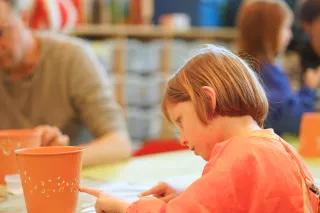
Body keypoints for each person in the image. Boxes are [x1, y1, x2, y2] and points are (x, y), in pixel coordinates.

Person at [80, 45, 320, 213]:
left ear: (208, 100)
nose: (182, 139)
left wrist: (122, 207)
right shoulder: (276, 146)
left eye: (181, 121)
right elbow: (239, 196)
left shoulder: (242, 157)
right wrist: (189, 192)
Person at [0, 0, 132, 167]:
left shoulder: (71, 58)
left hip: (69, 179)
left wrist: (61, 156)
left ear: (24, 18)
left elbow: (119, 144)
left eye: (1, 32)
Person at [237, 0, 320, 136]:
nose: (290, 35)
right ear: (270, 33)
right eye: (286, 28)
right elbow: (291, 119)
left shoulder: (249, 70)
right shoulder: (268, 74)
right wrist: (308, 89)